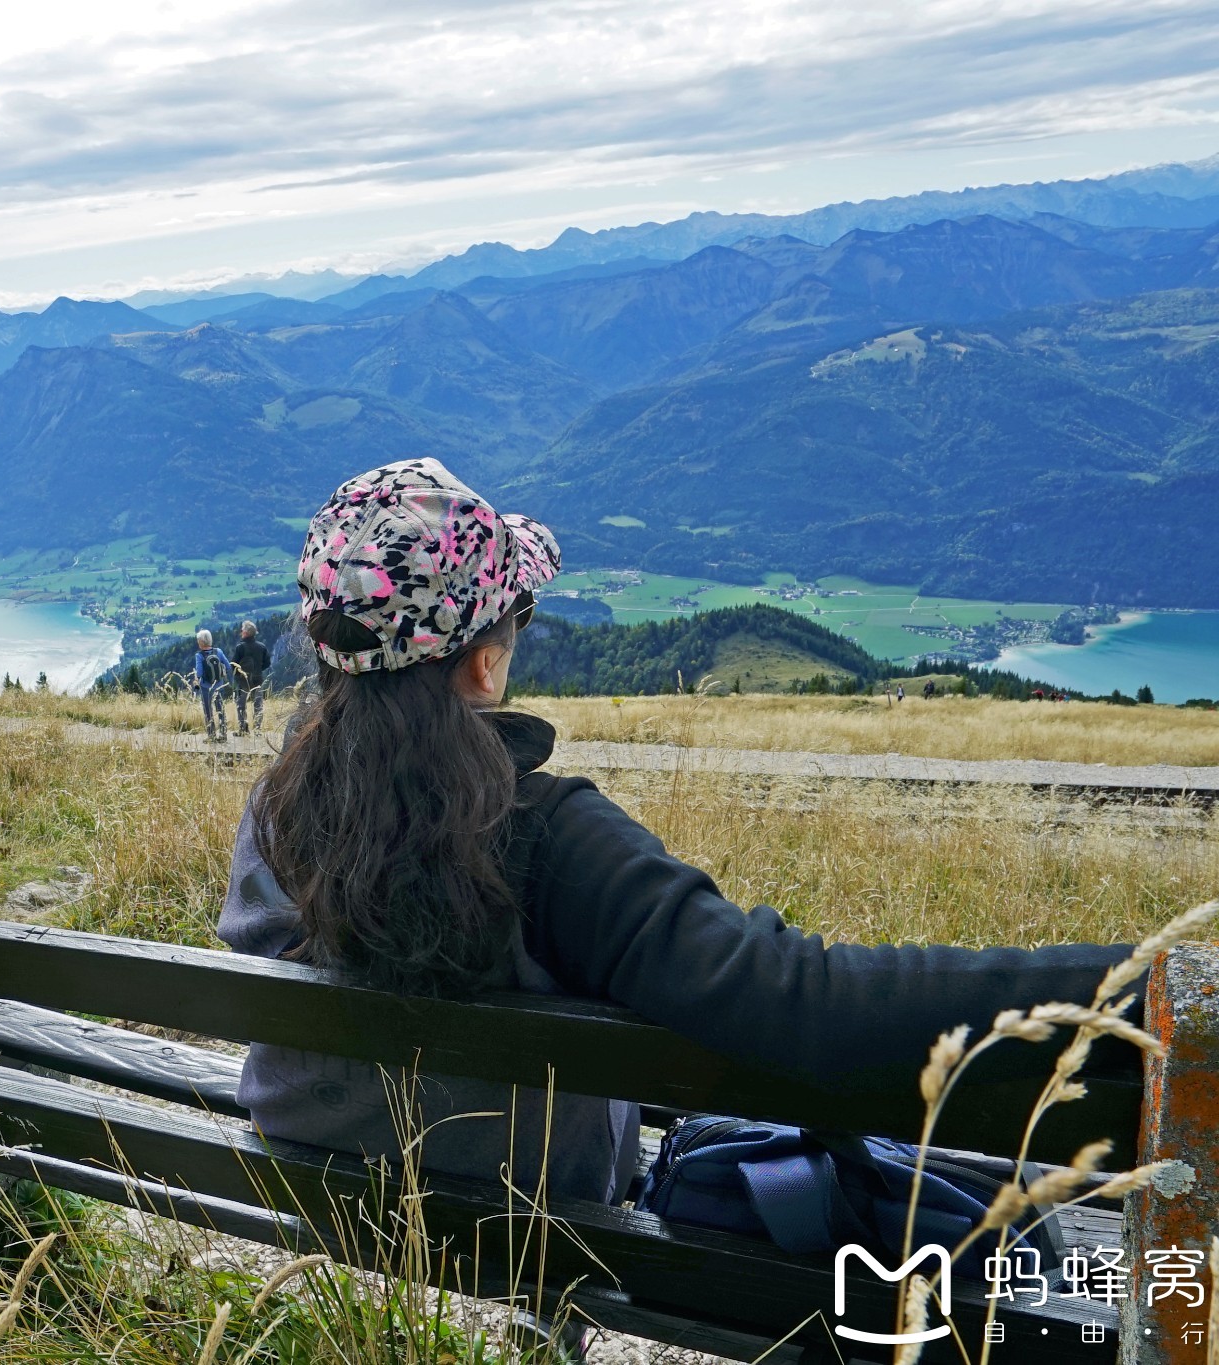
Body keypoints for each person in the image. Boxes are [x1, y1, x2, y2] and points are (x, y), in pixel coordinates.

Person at [218, 457, 1136, 1208]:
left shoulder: (278, 809)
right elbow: (803, 1002)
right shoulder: (541, 838)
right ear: (484, 660)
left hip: (310, 1198)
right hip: (548, 1233)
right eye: (516, 616)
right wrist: (1139, 985)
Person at [231, 620, 270, 736]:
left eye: (242, 630)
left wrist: (238, 675)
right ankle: (257, 730)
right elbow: (267, 663)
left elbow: (233, 664)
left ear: (246, 633)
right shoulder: (261, 647)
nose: (241, 632)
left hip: (243, 680)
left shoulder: (240, 647)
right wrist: (258, 670)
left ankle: (243, 729)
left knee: (241, 705)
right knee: (258, 704)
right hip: (258, 679)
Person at [193, 629, 232, 742]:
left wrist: (196, 682)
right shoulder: (218, 651)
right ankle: (223, 734)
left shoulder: (199, 655)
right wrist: (220, 674)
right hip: (218, 685)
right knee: (220, 709)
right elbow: (228, 666)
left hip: (206, 687)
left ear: (200, 642)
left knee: (208, 710)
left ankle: (211, 735)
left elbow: (199, 673)